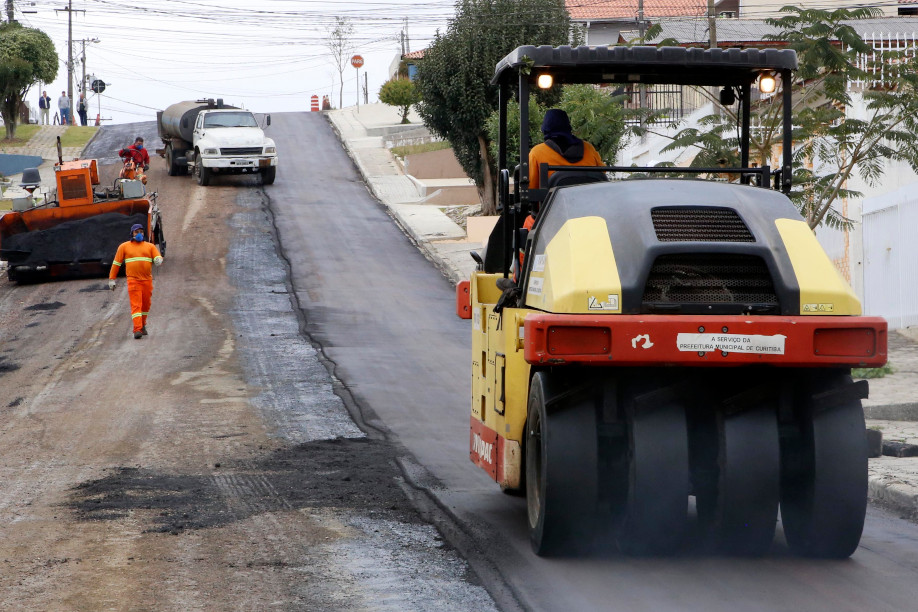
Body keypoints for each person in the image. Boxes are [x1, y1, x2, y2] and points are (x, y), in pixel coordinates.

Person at [109, 224, 163, 339]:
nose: (139, 234)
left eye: (141, 232)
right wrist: (112, 279)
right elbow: (116, 263)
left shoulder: (150, 246)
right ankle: (137, 329)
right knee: (136, 305)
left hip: (147, 280)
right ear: (132, 234)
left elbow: (157, 256)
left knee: (146, 305)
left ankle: (143, 325)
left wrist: (158, 259)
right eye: (136, 232)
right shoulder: (124, 247)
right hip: (133, 281)